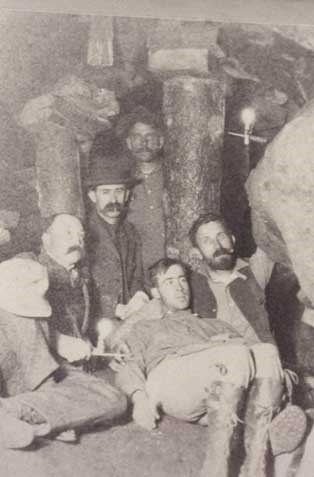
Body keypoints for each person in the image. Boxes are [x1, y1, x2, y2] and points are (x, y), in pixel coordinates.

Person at [114, 258, 306, 477]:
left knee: (267, 351)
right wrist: (139, 399)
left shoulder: (215, 324)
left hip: (220, 385)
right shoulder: (146, 327)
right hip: (170, 379)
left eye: (182, 280)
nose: (179, 287)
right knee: (236, 352)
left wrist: (285, 377)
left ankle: (255, 465)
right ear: (156, 292)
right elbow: (128, 364)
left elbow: (261, 359)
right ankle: (217, 468)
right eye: (169, 282)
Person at [0, 256, 127, 449]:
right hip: (22, 386)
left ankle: (21, 415)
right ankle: (45, 418)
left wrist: (66, 343)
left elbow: (48, 343)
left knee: (115, 398)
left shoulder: (30, 313)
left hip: (38, 385)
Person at [188, 212, 275, 346]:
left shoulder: (255, 270)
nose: (217, 246)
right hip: (219, 362)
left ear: (232, 240)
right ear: (197, 253)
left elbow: (273, 236)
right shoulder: (191, 287)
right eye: (207, 241)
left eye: (221, 237)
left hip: (262, 359)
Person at [86, 154, 145, 321]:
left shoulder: (130, 232)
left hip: (129, 318)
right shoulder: (83, 233)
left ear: (126, 195)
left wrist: (139, 296)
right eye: (105, 192)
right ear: (93, 196)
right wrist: (112, 308)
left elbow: (136, 277)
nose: (113, 199)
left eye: (118, 191)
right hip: (96, 321)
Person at [116, 106, 166, 275]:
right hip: (135, 270)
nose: (143, 143)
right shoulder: (119, 181)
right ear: (129, 143)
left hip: (170, 267)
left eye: (150, 137)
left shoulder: (174, 177)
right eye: (137, 137)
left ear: (161, 141)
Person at [38, 213, 93, 363]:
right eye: (68, 233)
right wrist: (58, 340)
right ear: (46, 239)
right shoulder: (29, 267)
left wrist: (85, 339)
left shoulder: (80, 275)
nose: (77, 240)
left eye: (81, 236)